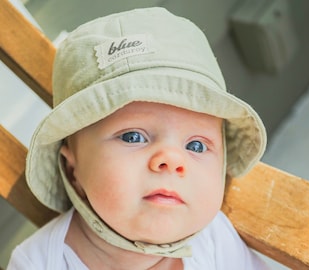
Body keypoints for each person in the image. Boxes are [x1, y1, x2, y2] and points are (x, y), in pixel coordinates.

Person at [7, 7, 269, 270]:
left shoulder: (214, 238)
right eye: (133, 137)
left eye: (196, 145)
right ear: (72, 170)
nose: (171, 159)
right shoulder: (38, 262)